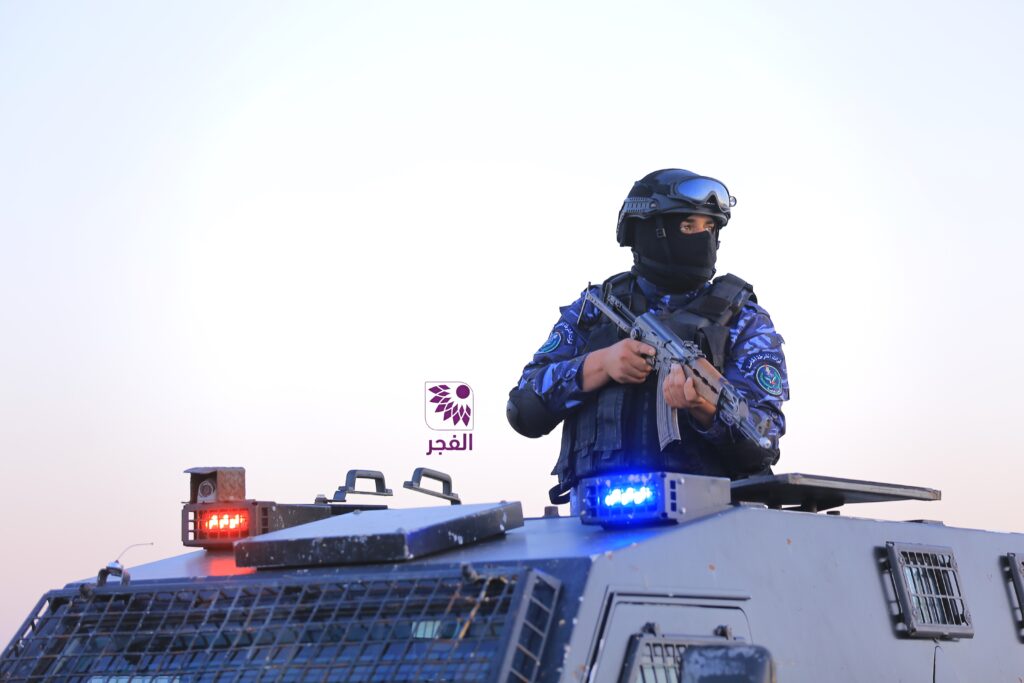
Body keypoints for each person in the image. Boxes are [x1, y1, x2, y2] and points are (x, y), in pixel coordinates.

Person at [506, 169, 788, 503]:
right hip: (595, 518)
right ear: (650, 230)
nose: (702, 238)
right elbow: (524, 408)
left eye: (710, 228)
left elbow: (763, 443)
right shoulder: (596, 308)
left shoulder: (742, 319)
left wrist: (704, 408)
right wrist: (602, 364)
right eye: (688, 226)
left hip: (710, 516)